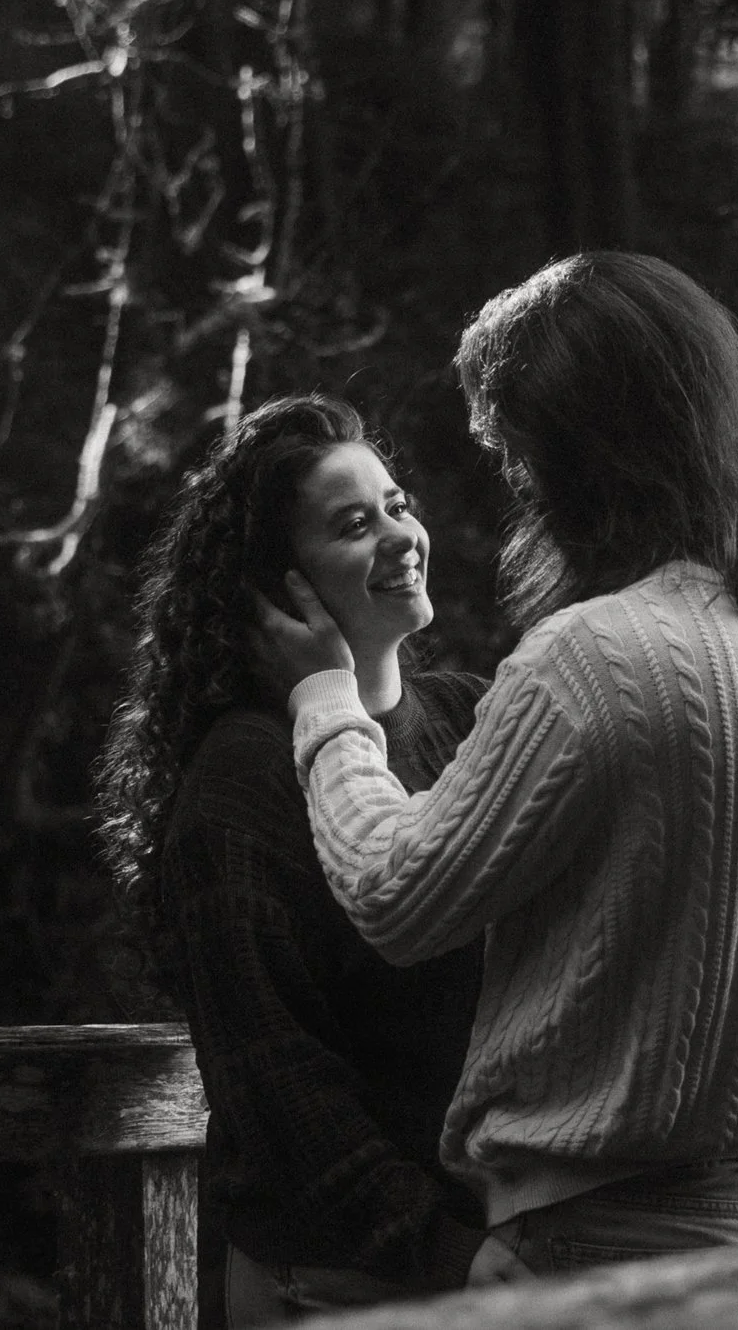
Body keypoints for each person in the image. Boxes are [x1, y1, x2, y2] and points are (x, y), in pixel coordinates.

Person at [256, 252, 738, 1280]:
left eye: (515, 451)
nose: (518, 484)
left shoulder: (594, 657)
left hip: (607, 1239)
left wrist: (324, 697)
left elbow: (395, 895)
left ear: (571, 452)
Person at [92, 395, 492, 1325]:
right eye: (354, 525)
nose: (401, 535)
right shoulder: (242, 783)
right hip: (343, 1282)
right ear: (281, 589)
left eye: (398, 504)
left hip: (488, 1258)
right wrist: (448, 1254)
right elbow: (275, 1082)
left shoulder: (472, 717)